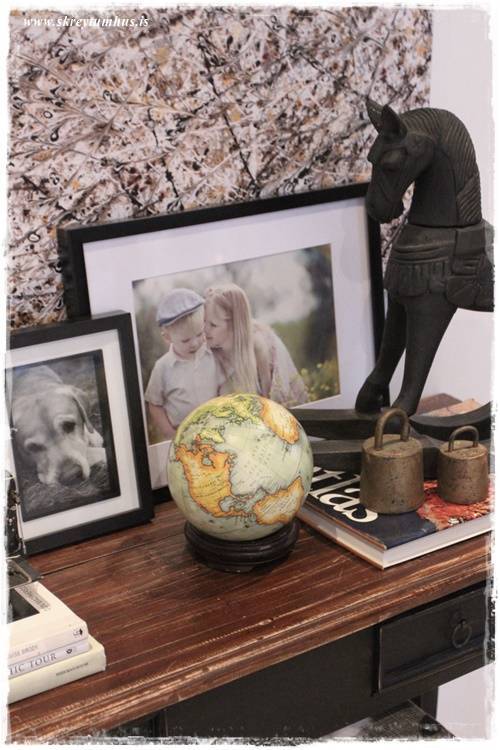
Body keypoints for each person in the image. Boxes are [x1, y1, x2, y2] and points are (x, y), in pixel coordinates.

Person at [204, 283, 308, 407]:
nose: (205, 329)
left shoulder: (257, 345)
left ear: (234, 326)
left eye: (213, 325)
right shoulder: (207, 345)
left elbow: (268, 397)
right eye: (204, 322)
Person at [144, 288, 224, 440]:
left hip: (215, 431)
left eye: (199, 334)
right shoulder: (162, 367)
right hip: (183, 435)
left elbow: (224, 388)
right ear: (167, 337)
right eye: (185, 340)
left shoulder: (213, 355)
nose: (194, 343)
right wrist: (169, 432)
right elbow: (154, 404)